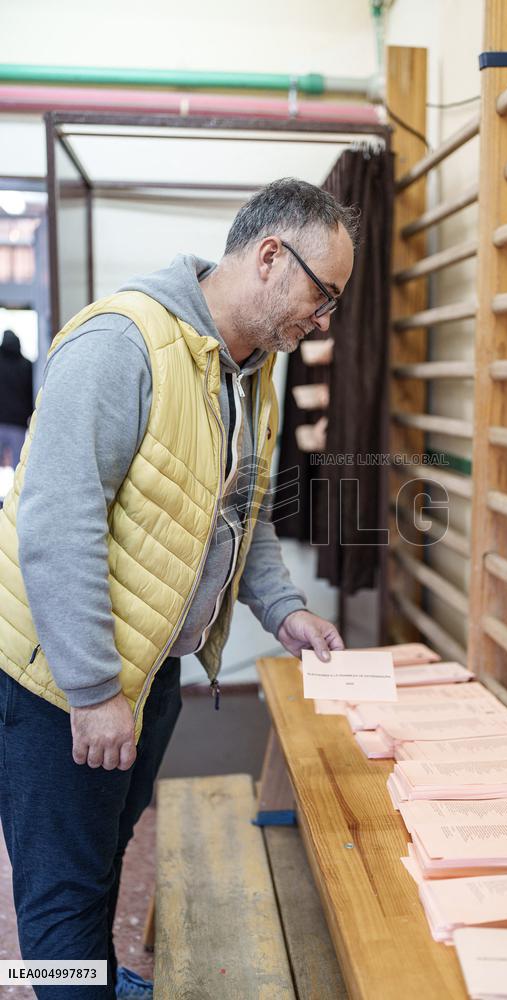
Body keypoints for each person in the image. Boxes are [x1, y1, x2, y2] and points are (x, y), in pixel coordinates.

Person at [0, 178, 356, 999]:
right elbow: (56, 524)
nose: (324, 319)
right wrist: (94, 689)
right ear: (270, 256)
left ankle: (92, 981)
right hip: (60, 683)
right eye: (323, 294)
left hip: (150, 665)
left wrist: (285, 609)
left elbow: (243, 513)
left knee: (104, 854)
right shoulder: (122, 342)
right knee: (60, 899)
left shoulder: (250, 370)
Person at [0, 328, 33, 468]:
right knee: (18, 468)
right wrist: (30, 415)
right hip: (18, 423)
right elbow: (30, 392)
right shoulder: (26, 365)